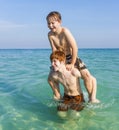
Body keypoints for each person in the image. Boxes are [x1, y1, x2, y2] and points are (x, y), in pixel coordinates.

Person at [46, 11, 100, 103]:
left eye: (53, 23)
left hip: (72, 56)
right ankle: (58, 95)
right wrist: (55, 63)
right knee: (51, 77)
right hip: (61, 59)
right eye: (48, 23)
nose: (50, 25)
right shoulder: (50, 35)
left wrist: (72, 63)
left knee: (87, 76)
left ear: (59, 22)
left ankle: (91, 98)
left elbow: (74, 47)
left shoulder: (65, 31)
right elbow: (54, 50)